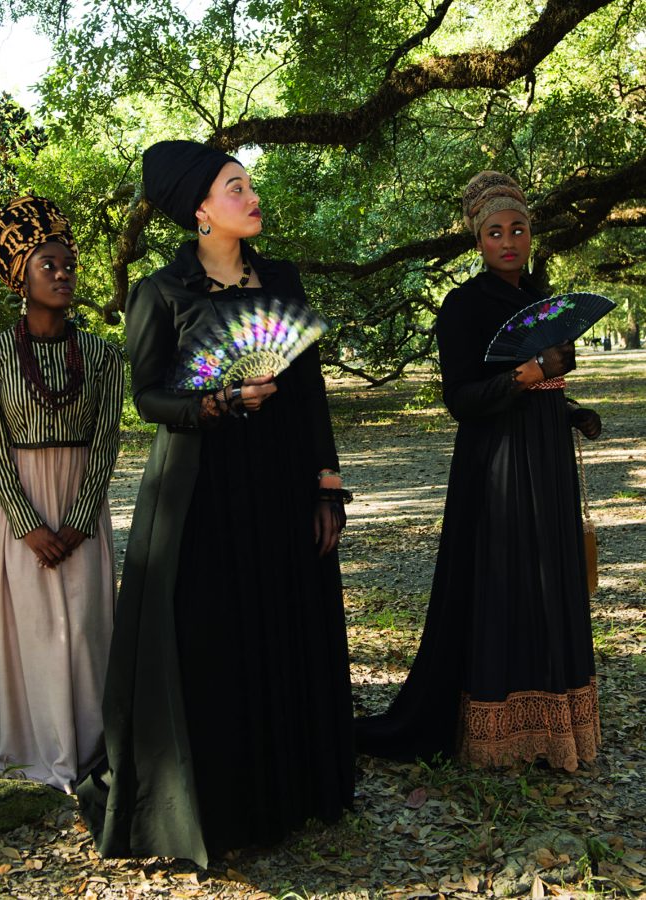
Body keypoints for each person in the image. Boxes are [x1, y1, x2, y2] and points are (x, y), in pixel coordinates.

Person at [78, 140, 354, 867]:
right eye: (236, 187)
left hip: (281, 480)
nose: (251, 195)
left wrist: (326, 485)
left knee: (283, 619)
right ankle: (217, 808)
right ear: (200, 208)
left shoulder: (284, 280)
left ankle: (290, 790)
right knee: (210, 638)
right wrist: (215, 400)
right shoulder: (160, 291)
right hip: (197, 490)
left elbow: (310, 395)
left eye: (249, 184)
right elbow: (147, 400)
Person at [355, 171, 602, 771]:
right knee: (502, 582)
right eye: (495, 232)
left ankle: (556, 726)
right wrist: (526, 374)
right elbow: (461, 399)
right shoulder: (463, 305)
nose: (509, 241)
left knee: (550, 582)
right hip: (495, 466)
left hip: (546, 458)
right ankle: (498, 735)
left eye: (518, 229)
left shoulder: (542, 301)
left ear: (530, 235)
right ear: (478, 242)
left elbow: (547, 385)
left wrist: (570, 408)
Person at [0, 196, 124, 792]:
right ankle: (34, 741)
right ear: (21, 278)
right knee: (34, 627)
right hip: (22, 508)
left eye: (69, 266)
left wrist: (80, 518)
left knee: (85, 626)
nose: (63, 275)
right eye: (47, 266)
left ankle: (89, 747)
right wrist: (27, 523)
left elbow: (107, 440)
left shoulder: (106, 356)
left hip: (82, 504)